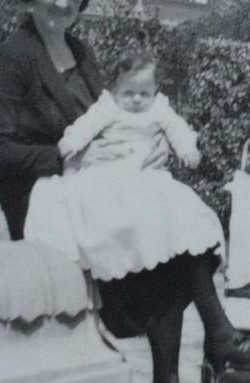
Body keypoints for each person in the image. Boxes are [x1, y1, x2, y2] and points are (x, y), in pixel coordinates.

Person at [0, 0, 250, 383]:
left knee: (172, 221)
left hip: (101, 185)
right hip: (41, 192)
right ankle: (196, 365)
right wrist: (69, 159)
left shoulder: (82, 53)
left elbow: (121, 120)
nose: (63, 0)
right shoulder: (12, 59)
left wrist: (152, 151)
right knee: (162, 231)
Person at [24, 41, 223, 284]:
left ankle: (157, 257)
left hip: (145, 171)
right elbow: (87, 124)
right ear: (115, 88)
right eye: (129, 93)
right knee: (108, 209)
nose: (137, 100)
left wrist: (187, 149)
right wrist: (71, 143)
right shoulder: (108, 106)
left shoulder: (159, 108)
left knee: (172, 206)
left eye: (144, 93)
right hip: (109, 169)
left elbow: (177, 128)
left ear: (155, 90)